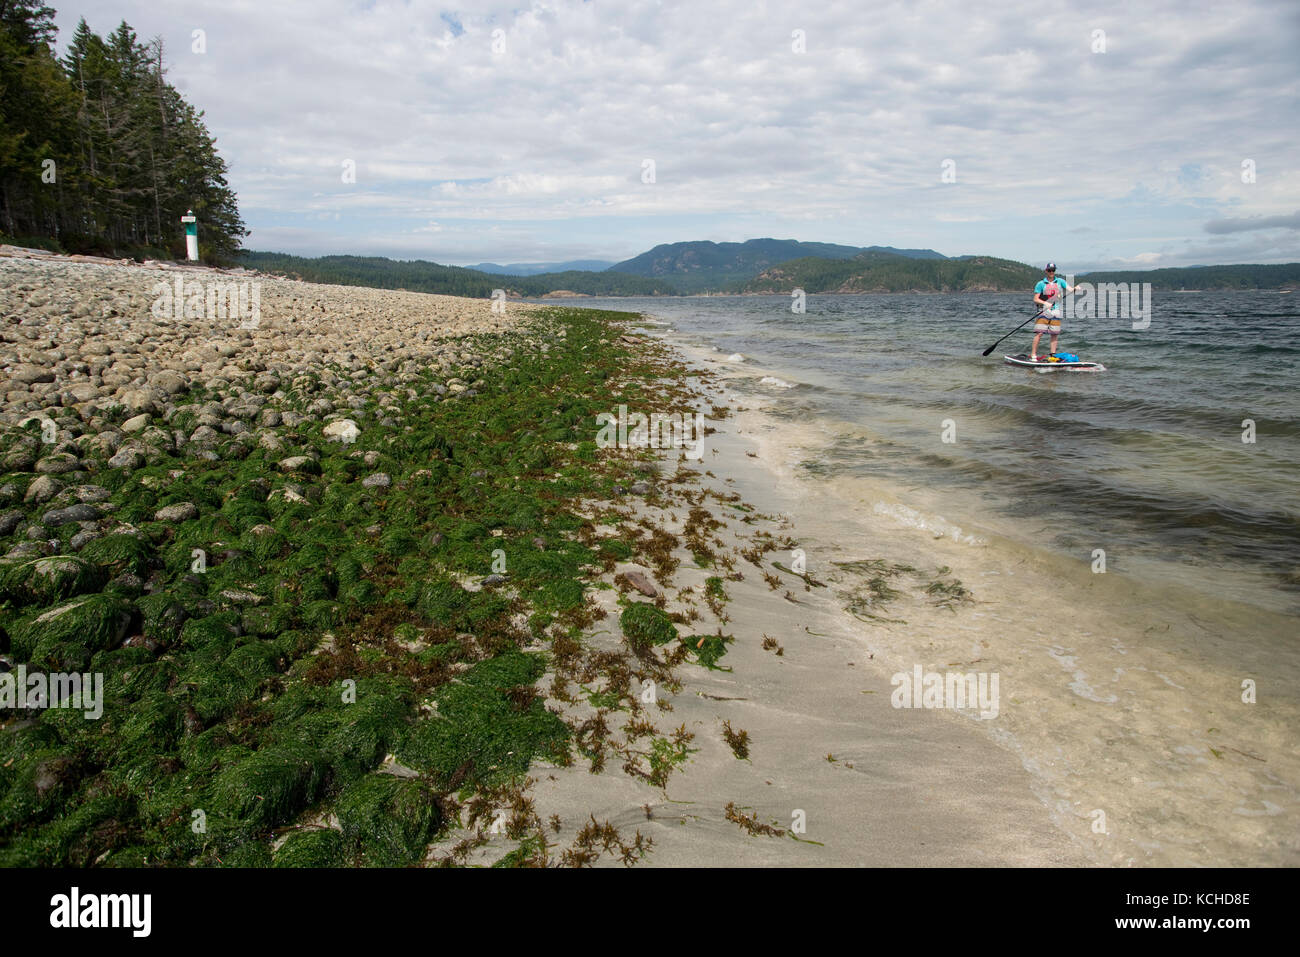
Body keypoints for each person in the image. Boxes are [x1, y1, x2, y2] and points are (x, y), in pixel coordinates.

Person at [1030, 263, 1077, 360]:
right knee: (1039, 333)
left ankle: (1052, 356)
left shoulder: (1060, 281)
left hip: (1056, 311)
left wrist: (1075, 289)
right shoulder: (1041, 284)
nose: (1051, 272)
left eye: (1053, 270)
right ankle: (1033, 355)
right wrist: (1045, 303)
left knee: (1054, 334)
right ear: (1046, 271)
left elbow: (1070, 289)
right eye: (1049, 270)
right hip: (1043, 311)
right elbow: (1035, 299)